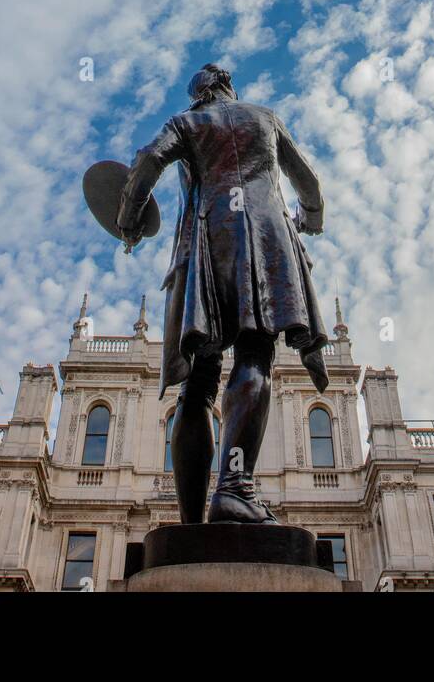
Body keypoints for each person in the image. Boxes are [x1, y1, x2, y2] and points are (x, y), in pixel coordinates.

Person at [115, 63, 329, 524]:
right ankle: (234, 487)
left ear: (198, 97)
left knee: (198, 378)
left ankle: (191, 521)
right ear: (229, 88)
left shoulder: (187, 123)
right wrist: (310, 218)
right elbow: (307, 181)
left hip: (208, 240)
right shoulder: (265, 118)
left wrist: (130, 219)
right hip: (266, 238)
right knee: (255, 351)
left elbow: (149, 159)